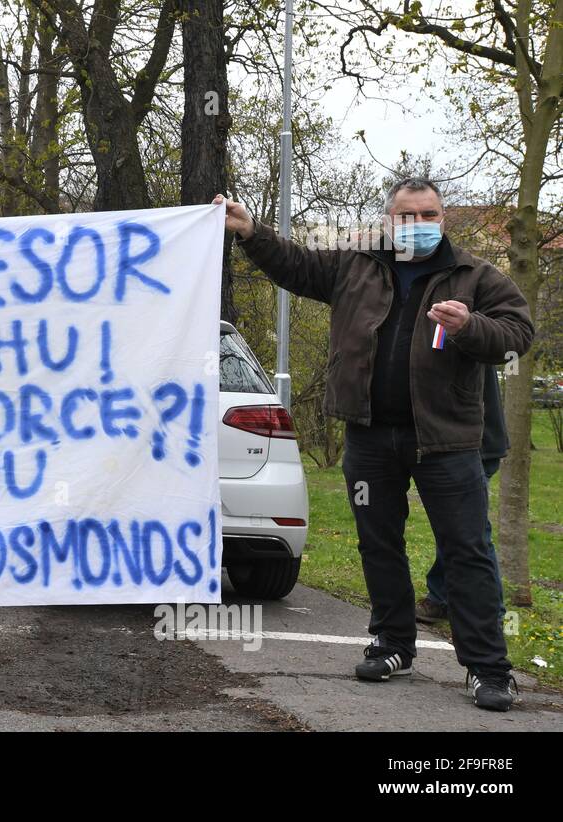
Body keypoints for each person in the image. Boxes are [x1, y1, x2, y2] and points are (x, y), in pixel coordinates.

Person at [215, 178, 534, 712]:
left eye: (428, 214)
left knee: (467, 552)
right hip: (368, 436)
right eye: (406, 216)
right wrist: (250, 232)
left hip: (447, 441)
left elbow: (517, 335)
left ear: (442, 218)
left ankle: (488, 669)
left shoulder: (476, 275)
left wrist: (470, 326)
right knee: (379, 544)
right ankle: (392, 644)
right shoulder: (355, 264)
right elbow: (295, 266)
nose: (417, 224)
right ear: (389, 220)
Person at [417, 364, 508, 625]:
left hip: (473, 444)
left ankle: (491, 613)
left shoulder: (463, 332)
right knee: (458, 528)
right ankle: (441, 597)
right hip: (465, 441)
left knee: (474, 532)